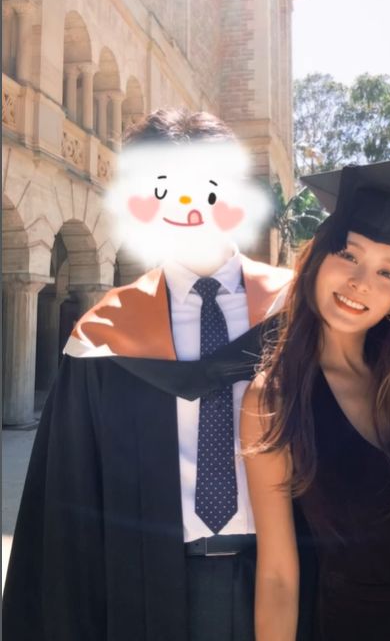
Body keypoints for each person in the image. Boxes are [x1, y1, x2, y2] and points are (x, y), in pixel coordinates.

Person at [3, 109, 317, 641]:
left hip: (288, 580)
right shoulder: (105, 334)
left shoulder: (297, 312)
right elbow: (68, 499)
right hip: (148, 589)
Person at [241, 158, 390, 641]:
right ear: (316, 259)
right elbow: (278, 578)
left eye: (387, 273)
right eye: (348, 255)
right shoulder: (274, 400)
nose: (361, 282)